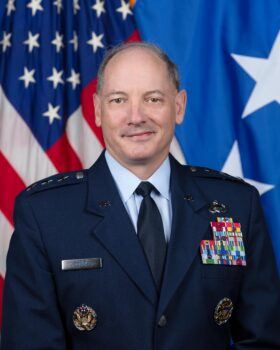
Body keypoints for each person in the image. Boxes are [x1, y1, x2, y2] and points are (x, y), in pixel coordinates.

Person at [1, 42, 280, 350]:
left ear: (179, 106)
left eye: (153, 98)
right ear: (97, 110)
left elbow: (263, 340)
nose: (136, 117)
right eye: (119, 100)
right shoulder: (45, 215)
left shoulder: (238, 205)